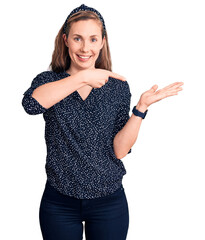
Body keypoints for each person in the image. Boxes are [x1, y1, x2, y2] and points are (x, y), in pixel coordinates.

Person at [21, 4, 183, 240]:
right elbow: (31, 105)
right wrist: (83, 76)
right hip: (59, 202)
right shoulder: (49, 81)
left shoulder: (117, 86)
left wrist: (141, 109)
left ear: (102, 42)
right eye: (78, 38)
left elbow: (119, 151)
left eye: (93, 39)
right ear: (66, 40)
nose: (85, 48)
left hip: (108, 202)